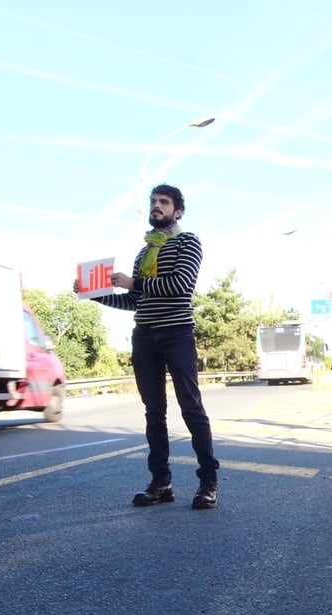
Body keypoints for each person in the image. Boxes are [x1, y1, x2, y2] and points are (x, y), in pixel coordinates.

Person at [74, 184, 220, 509]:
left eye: (163, 202)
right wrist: (93, 293)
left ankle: (208, 483)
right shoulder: (143, 253)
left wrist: (135, 282)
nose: (156, 206)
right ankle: (161, 483)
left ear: (177, 211)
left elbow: (181, 285)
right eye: (153, 201)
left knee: (191, 408)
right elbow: (134, 300)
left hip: (177, 333)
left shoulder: (188, 242)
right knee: (154, 413)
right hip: (145, 336)